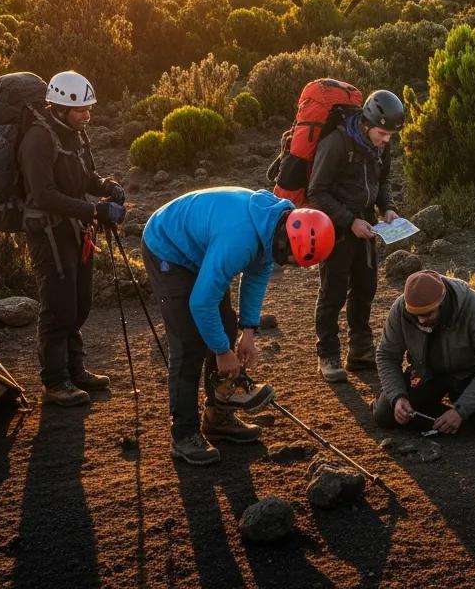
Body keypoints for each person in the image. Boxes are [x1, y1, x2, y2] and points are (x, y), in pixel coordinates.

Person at [141, 186, 334, 466]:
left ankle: (217, 416)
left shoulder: (273, 225)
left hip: (202, 247)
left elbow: (255, 278)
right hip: (167, 245)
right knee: (189, 342)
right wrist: (222, 351)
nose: (288, 265)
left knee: (226, 323)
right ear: (285, 242)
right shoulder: (241, 239)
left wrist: (248, 332)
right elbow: (201, 303)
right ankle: (184, 435)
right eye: (290, 260)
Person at [19, 70, 126, 407]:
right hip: (48, 233)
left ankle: (75, 369)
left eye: (89, 109)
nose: (87, 115)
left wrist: (107, 186)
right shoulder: (37, 140)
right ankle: (55, 381)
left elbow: (86, 176)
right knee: (58, 306)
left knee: (80, 303)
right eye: (81, 110)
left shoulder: (77, 135)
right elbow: (44, 194)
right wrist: (94, 211)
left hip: (76, 231)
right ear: (59, 108)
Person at [307, 89, 403, 383]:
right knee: (333, 291)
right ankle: (328, 354)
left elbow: (382, 181)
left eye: (390, 135)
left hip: (368, 227)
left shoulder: (380, 146)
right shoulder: (336, 144)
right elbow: (316, 192)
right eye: (382, 133)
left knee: (365, 288)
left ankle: (359, 350)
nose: (386, 140)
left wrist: (387, 208)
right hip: (334, 229)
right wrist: (349, 222)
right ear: (366, 122)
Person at [373, 269, 475, 434]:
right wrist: (398, 397)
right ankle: (442, 417)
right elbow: (387, 356)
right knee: (385, 414)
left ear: (442, 301)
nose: (421, 320)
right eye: (415, 314)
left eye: (427, 313)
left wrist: (461, 411)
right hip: (425, 374)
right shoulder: (400, 307)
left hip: (469, 375)